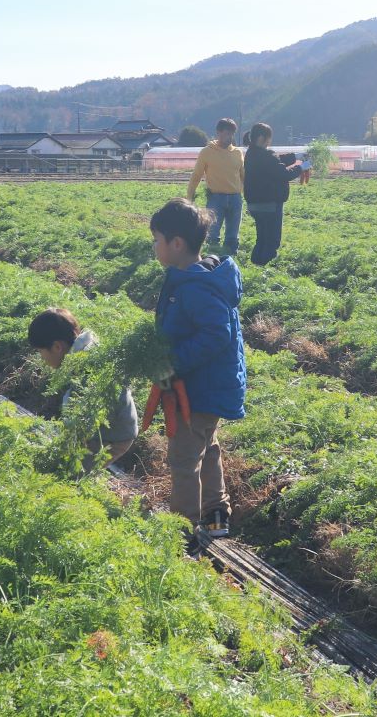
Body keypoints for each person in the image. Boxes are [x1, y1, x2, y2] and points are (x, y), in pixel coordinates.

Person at [151, 199, 246, 538]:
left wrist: (174, 361)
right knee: (207, 448)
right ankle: (216, 515)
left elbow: (216, 334)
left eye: (156, 240)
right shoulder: (189, 278)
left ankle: (184, 530)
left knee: (184, 459)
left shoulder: (195, 288)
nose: (154, 246)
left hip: (199, 389)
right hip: (210, 385)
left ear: (176, 244)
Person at [27, 307, 139, 469]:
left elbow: (84, 419)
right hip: (105, 429)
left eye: (40, 351)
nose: (41, 358)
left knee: (66, 474)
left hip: (111, 436)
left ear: (57, 347)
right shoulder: (81, 352)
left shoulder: (88, 365)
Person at [243, 122, 310, 266]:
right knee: (272, 241)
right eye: (269, 138)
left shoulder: (252, 153)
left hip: (255, 205)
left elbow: (276, 161)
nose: (269, 142)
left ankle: (256, 266)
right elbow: (283, 174)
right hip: (269, 205)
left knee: (262, 239)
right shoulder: (265, 156)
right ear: (262, 138)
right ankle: (265, 270)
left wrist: (296, 156)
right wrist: (301, 167)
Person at [186, 118, 245, 255]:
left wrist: (245, 194)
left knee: (232, 235)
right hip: (216, 198)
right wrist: (189, 197)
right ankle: (212, 259)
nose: (230, 137)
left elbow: (243, 176)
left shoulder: (238, 153)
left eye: (232, 134)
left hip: (235, 198)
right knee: (212, 234)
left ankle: (230, 259)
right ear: (218, 133)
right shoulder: (207, 152)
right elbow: (196, 176)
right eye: (227, 133)